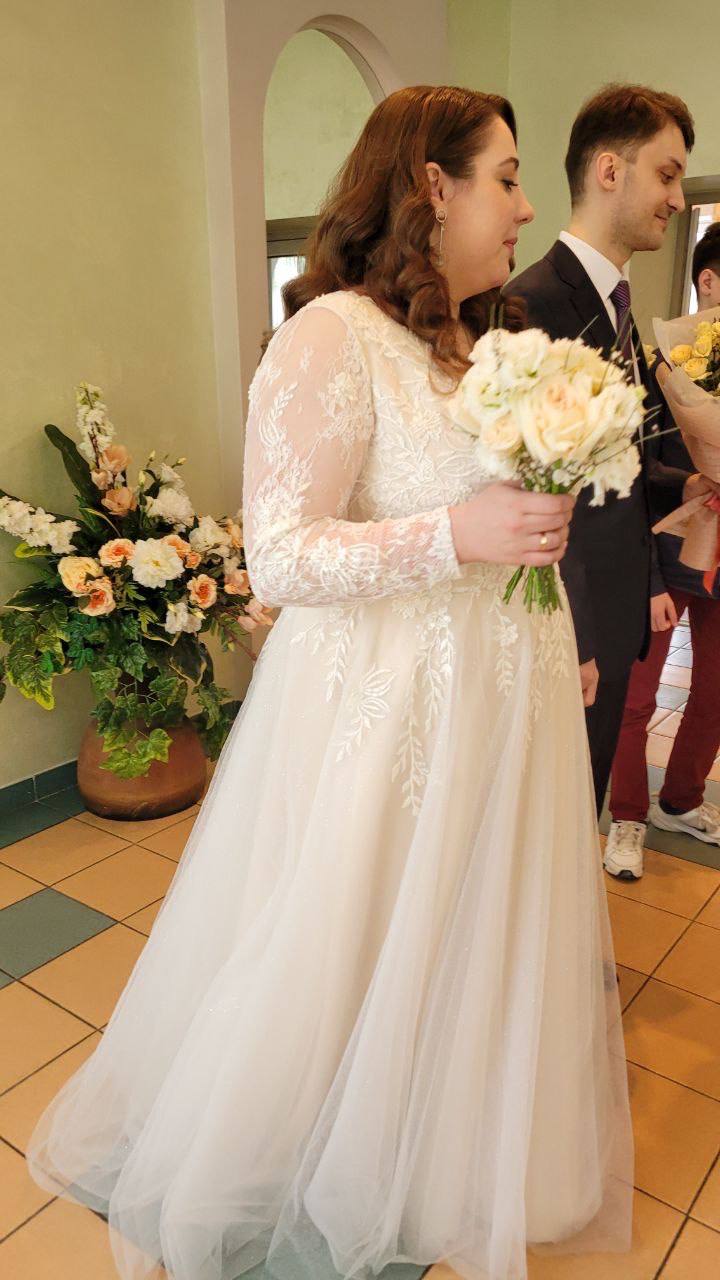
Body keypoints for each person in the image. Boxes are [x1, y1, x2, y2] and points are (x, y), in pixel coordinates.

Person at [27, 87, 633, 1280]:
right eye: (507, 177)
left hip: (495, 704)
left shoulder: (472, 343)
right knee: (352, 938)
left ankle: (438, 1152)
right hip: (388, 712)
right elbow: (283, 555)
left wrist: (544, 594)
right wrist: (458, 534)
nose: (524, 208)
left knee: (466, 933)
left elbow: (495, 519)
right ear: (432, 186)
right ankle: (289, 1150)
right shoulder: (331, 337)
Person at [509, 84, 700, 816]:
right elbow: (537, 493)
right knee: (548, 816)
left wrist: (682, 488)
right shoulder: (534, 305)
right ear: (610, 170)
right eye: (667, 174)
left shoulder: (614, 304)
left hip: (612, 618)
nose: (677, 198)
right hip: (569, 628)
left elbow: (612, 467)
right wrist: (578, 637)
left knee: (576, 813)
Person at [605, 223, 720, 878]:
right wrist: (648, 577)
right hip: (664, 551)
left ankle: (681, 799)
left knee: (715, 692)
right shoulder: (658, 366)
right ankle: (627, 814)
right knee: (636, 697)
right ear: (708, 280)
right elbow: (634, 469)